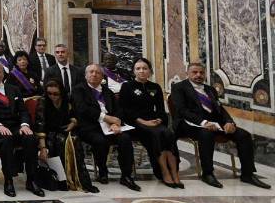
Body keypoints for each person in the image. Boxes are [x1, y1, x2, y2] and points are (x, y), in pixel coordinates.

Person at [171, 62, 269, 189]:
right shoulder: (179, 87)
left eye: (201, 72)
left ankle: (247, 174)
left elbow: (220, 109)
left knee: (244, 135)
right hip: (189, 124)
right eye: (194, 72)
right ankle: (208, 173)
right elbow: (182, 110)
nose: (198, 75)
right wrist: (204, 123)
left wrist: (229, 122)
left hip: (215, 124)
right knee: (206, 134)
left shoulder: (210, 89)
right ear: (187, 73)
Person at [0, 60, 43, 197]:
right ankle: (9, 180)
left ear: (3, 73)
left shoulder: (13, 89)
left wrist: (24, 125)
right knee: (6, 139)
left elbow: (23, 111)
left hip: (15, 126)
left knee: (30, 138)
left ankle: (31, 180)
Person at [70, 64, 140, 191]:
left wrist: (115, 123)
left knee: (125, 139)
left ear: (102, 76)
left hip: (111, 127)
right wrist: (106, 118)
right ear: (86, 75)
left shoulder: (107, 91)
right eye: (91, 72)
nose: (94, 74)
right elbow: (82, 109)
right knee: (100, 141)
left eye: (97, 72)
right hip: (90, 127)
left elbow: (118, 110)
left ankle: (126, 175)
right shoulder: (78, 90)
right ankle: (102, 170)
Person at [121, 58, 182, 188]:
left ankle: (175, 172)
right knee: (158, 134)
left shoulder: (155, 87)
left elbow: (160, 109)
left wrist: (159, 119)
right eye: (138, 69)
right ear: (134, 71)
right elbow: (125, 110)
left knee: (168, 133)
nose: (141, 71)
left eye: (144, 68)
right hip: (136, 122)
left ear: (150, 71)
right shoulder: (127, 86)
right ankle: (163, 172)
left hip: (153, 120)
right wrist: (143, 121)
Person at [35, 78, 98, 193]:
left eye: (55, 94)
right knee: (60, 141)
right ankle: (62, 180)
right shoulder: (43, 101)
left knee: (74, 140)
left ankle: (79, 179)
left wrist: (73, 123)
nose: (52, 96)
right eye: (49, 93)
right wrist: (43, 148)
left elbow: (74, 115)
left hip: (66, 129)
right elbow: (40, 125)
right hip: (48, 133)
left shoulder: (67, 99)